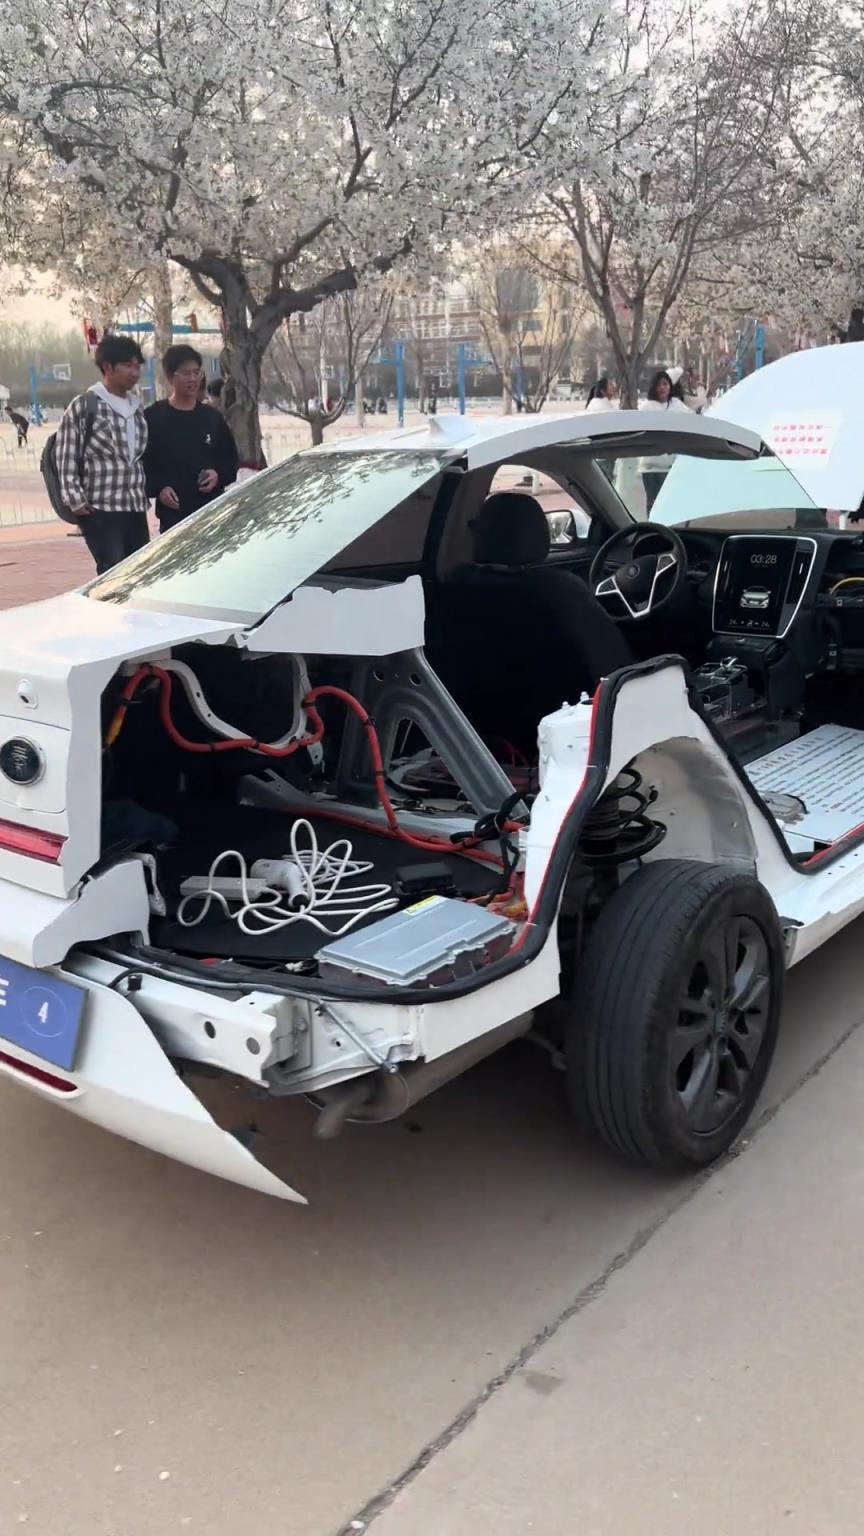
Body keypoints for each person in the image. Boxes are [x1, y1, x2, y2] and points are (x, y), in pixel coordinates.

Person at [55, 333, 149, 574]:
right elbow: (66, 453)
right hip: (102, 508)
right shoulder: (86, 405)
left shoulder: (137, 408)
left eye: (137, 366)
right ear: (107, 367)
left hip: (134, 506)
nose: (134, 372)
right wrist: (75, 499)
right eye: (127, 365)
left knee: (140, 573)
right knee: (112, 573)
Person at [144, 344, 239, 533]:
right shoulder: (153, 417)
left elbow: (231, 461)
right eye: (186, 373)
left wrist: (217, 475)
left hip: (212, 513)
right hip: (174, 518)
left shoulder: (212, 418)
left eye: (197, 373)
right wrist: (159, 489)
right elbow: (143, 465)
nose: (193, 379)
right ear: (170, 377)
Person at [638, 368, 691, 512]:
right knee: (653, 503)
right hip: (650, 467)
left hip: (670, 466)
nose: (662, 387)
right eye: (659, 384)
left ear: (670, 386)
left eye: (665, 384)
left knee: (669, 504)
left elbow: (692, 420)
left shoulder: (677, 405)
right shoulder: (646, 407)